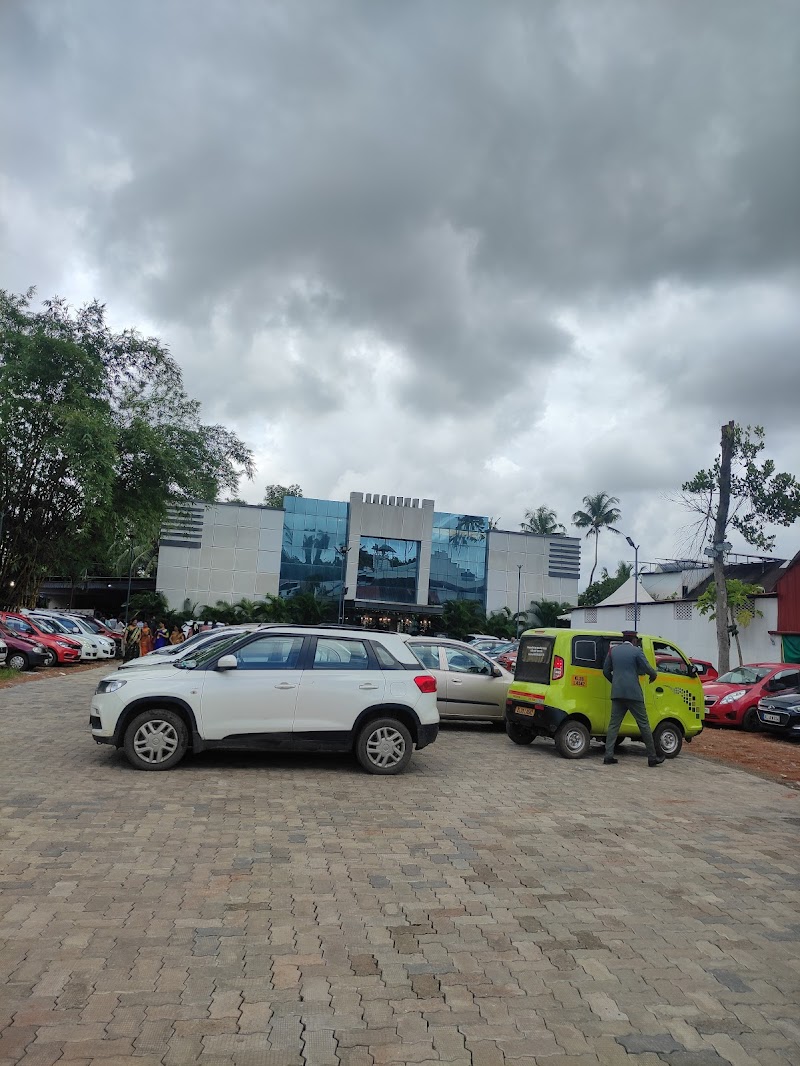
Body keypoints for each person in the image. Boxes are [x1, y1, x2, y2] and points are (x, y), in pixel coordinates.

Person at [602, 631, 665, 767]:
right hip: (634, 694)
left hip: (617, 693)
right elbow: (648, 668)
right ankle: (652, 757)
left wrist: (615, 682)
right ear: (634, 640)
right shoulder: (636, 651)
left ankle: (608, 756)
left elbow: (606, 671)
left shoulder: (613, 651)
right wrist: (653, 675)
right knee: (643, 724)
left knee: (614, 725)